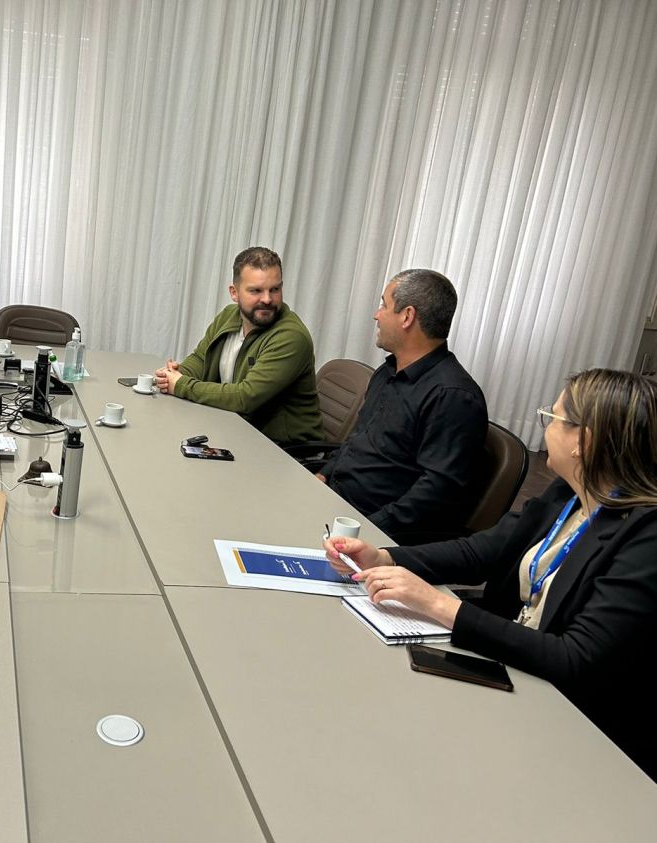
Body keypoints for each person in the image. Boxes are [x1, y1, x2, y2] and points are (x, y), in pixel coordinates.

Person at [325, 369, 657, 780]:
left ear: (583, 441)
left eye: (553, 418)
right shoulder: (571, 492)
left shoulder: (645, 537)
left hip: (567, 720)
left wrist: (439, 605)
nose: (547, 426)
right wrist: (386, 558)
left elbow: (575, 659)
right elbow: (484, 549)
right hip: (506, 661)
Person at [317, 269, 487, 542]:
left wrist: (367, 531)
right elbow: (357, 442)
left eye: (384, 305)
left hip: (374, 531)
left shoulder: (452, 396)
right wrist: (323, 476)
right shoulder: (387, 373)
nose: (376, 314)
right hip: (337, 507)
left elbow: (436, 493)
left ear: (407, 316)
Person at [154, 246, 322, 446]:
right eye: (256, 291)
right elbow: (201, 359)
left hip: (284, 451)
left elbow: (245, 397)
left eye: (275, 289)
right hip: (236, 431)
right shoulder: (228, 316)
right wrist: (173, 375)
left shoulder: (291, 337)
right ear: (234, 293)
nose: (267, 299)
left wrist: (181, 384)